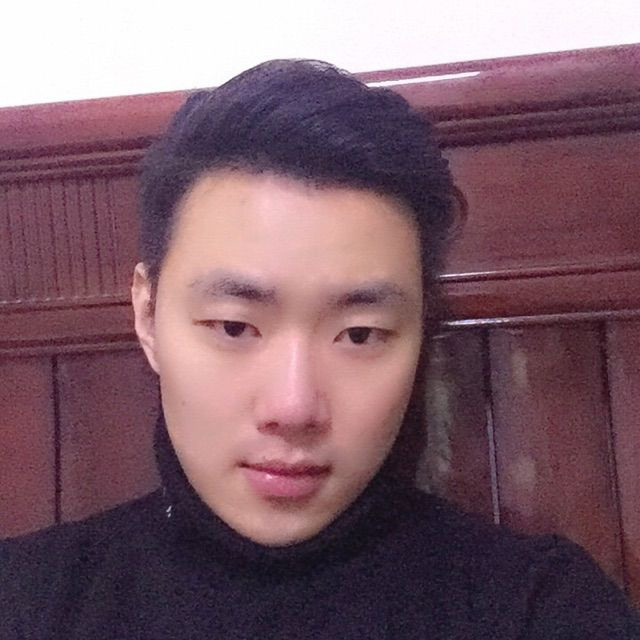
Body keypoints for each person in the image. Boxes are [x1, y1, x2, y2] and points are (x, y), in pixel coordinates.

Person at [1, 59, 638, 639]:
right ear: (147, 315)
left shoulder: (538, 607)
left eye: (359, 334)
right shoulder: (23, 601)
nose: (294, 407)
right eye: (234, 327)